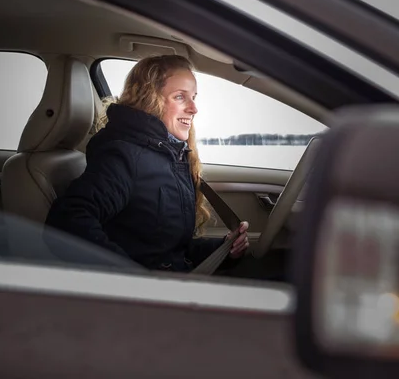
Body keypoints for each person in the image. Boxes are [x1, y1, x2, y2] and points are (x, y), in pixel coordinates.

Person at [43, 54, 250, 272]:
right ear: (150, 100)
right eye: (180, 97)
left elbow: (169, 250)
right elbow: (66, 222)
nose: (193, 108)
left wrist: (225, 247)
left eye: (193, 97)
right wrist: (134, 280)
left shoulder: (171, 155)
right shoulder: (123, 155)